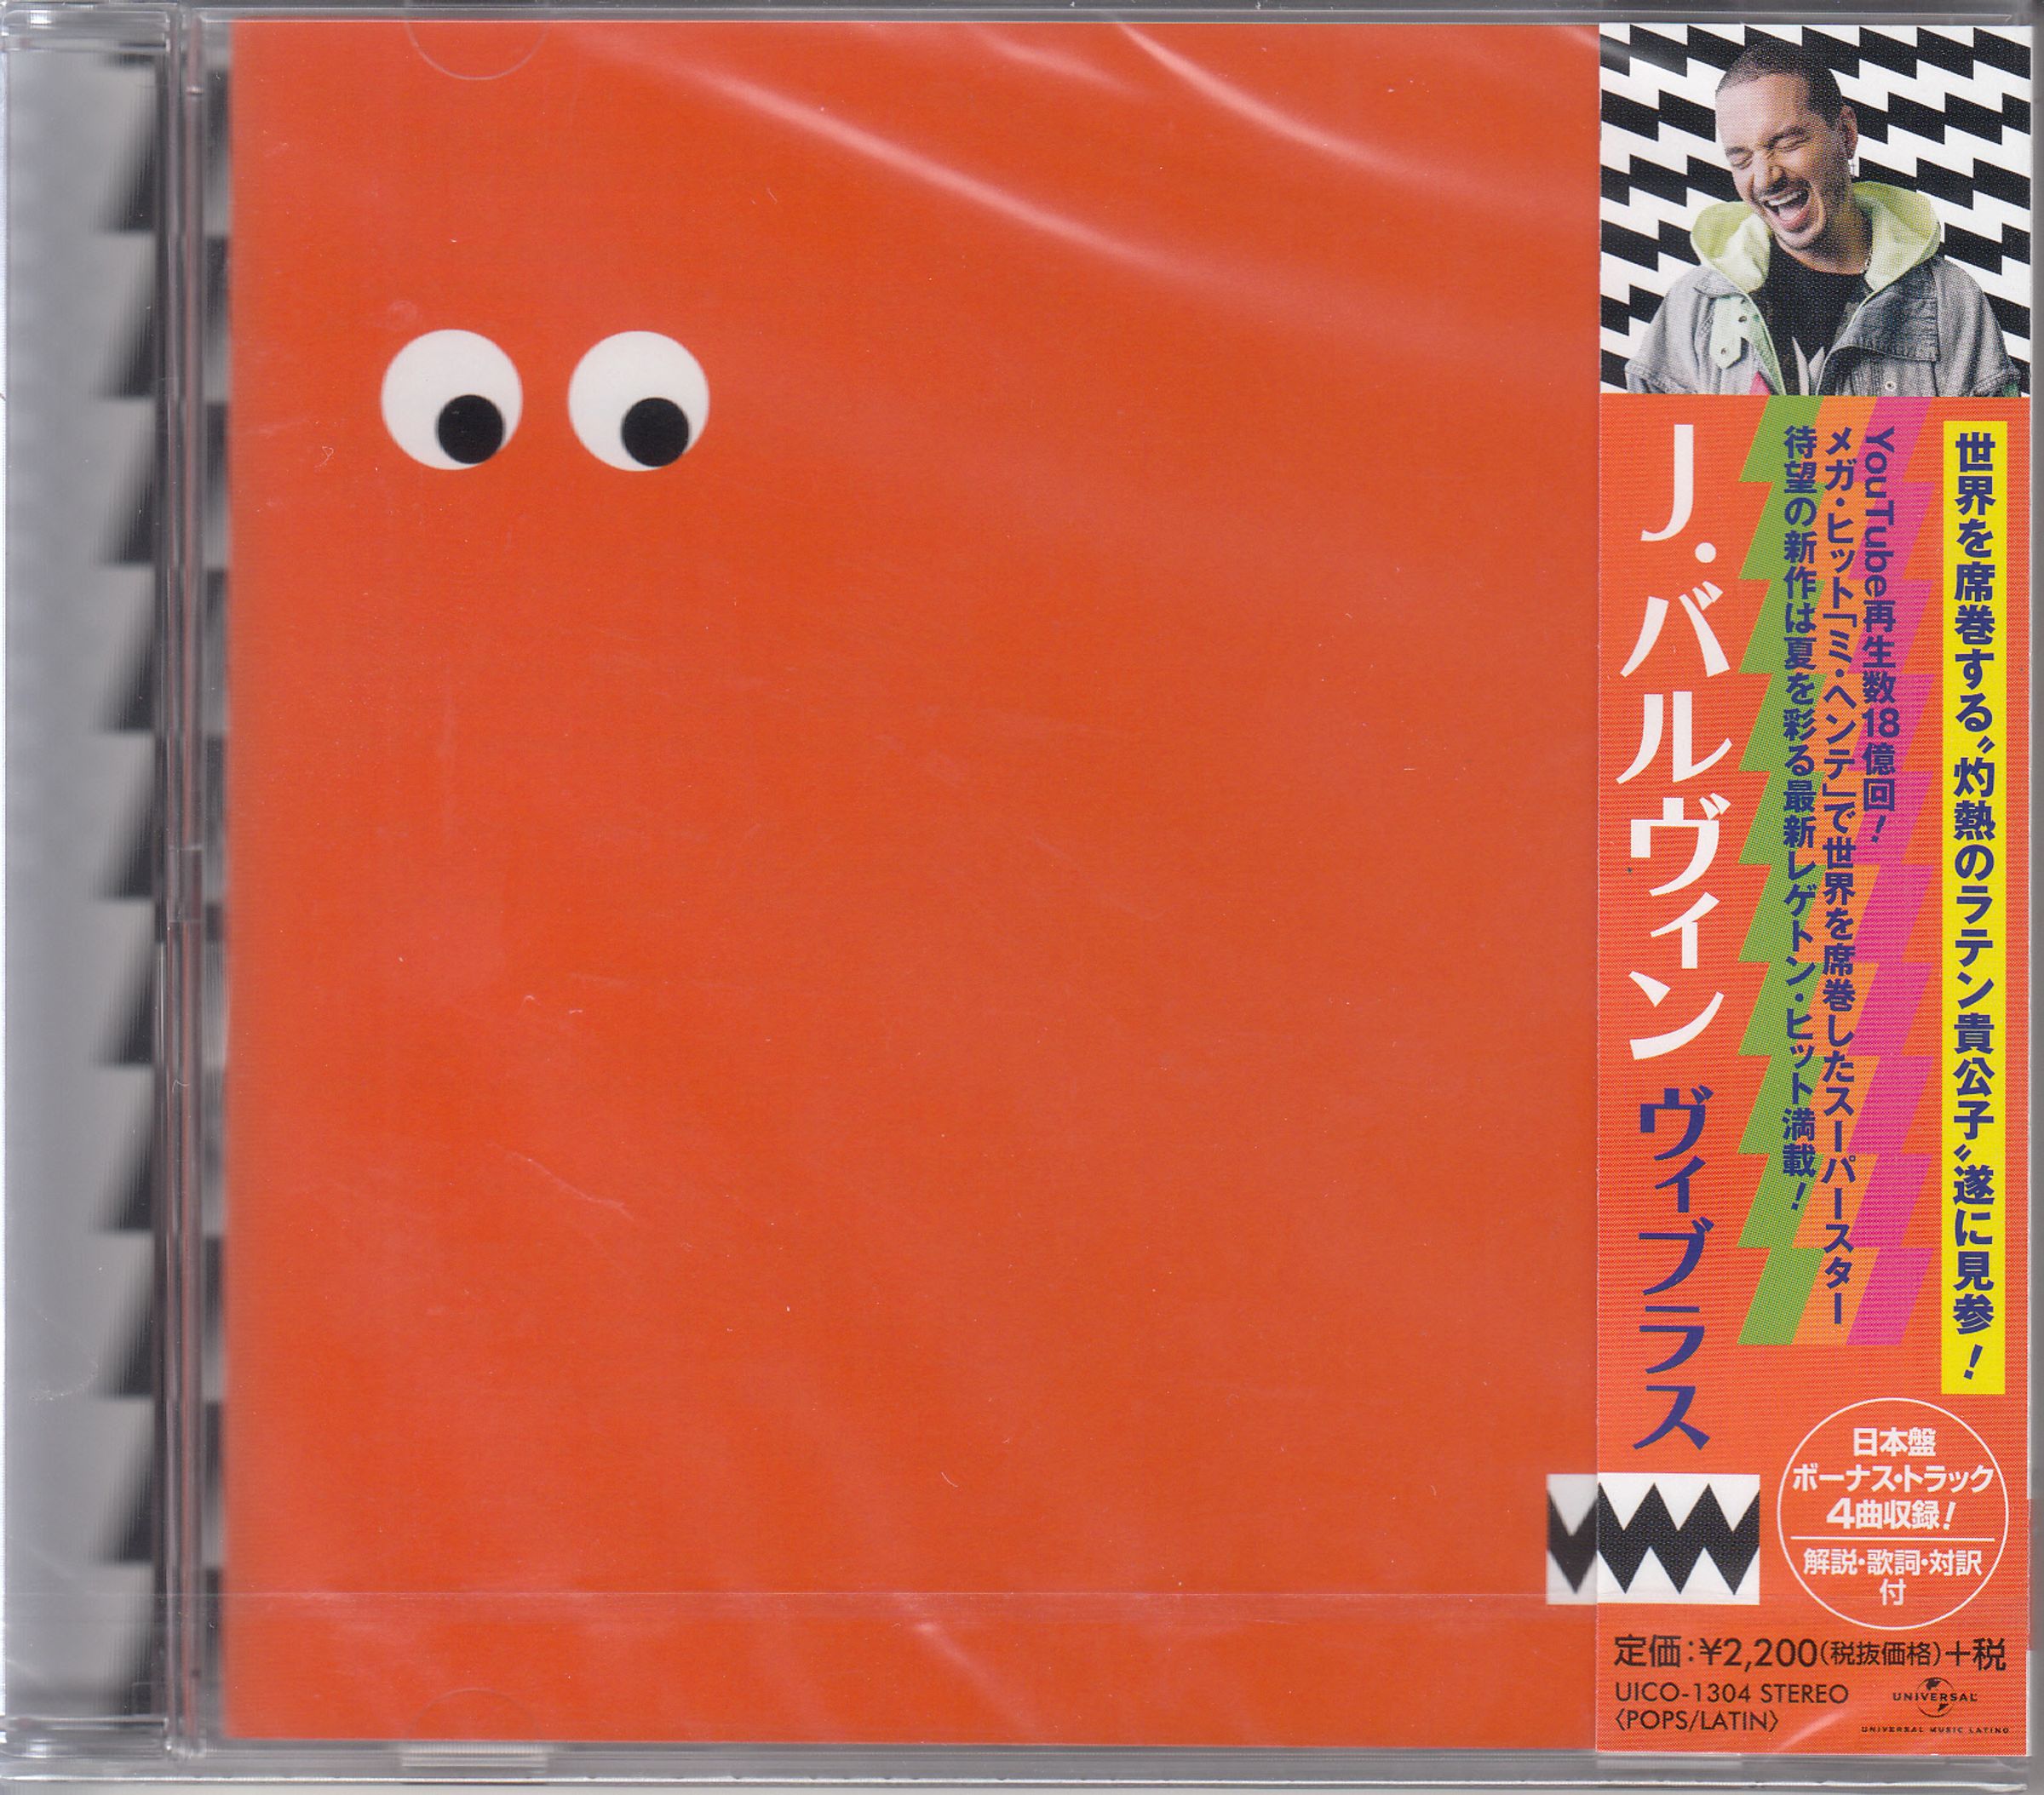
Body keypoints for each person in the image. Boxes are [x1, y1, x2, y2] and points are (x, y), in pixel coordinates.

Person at [1625, 40, 2020, 397]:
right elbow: (1645, 452)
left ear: (1845, 133)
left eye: (1786, 143)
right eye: (1741, 160)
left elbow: (1989, 455)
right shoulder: (1694, 307)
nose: (1764, 178)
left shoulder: (1950, 303)